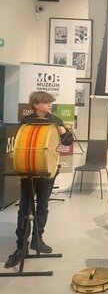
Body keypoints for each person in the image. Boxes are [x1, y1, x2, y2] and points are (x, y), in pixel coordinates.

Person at [5, 91, 74, 268]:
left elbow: (68, 142)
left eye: (50, 102)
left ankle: (37, 239)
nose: (50, 105)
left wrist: (64, 132)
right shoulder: (26, 121)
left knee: (42, 206)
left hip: (48, 170)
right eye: (46, 102)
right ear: (36, 105)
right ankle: (21, 247)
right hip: (29, 170)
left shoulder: (56, 120)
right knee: (25, 209)